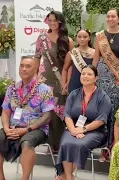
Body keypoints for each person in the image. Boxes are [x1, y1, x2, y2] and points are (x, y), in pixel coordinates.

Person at [0, 55, 55, 180]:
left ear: (36, 68)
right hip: (13, 127)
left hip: (36, 129)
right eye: (22, 66)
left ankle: (25, 178)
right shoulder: (12, 88)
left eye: (28, 66)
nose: (24, 69)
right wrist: (6, 128)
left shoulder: (44, 89)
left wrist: (26, 130)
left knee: (27, 142)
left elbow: (47, 116)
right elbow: (5, 111)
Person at [55, 65, 111, 180]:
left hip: (95, 131)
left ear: (96, 78)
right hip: (73, 128)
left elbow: (101, 119)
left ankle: (64, 176)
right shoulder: (74, 94)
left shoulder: (103, 96)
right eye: (83, 73)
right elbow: (67, 115)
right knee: (65, 143)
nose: (85, 76)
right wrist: (73, 130)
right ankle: (69, 177)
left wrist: (84, 129)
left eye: (89, 74)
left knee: (78, 144)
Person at [35, 11, 74, 152]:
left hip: (61, 82)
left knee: (60, 113)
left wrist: (67, 82)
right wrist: (35, 78)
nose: (52, 23)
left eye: (55, 20)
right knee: (47, 113)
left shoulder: (68, 41)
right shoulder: (42, 39)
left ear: (60, 22)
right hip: (45, 80)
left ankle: (59, 144)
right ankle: (49, 143)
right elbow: (36, 59)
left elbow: (70, 64)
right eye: (50, 20)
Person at [93, 9, 119, 154]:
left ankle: (115, 146)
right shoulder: (100, 36)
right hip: (102, 76)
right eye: (108, 16)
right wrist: (93, 76)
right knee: (103, 110)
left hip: (117, 77)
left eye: (113, 16)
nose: (110, 18)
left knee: (116, 110)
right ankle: (103, 148)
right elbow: (96, 58)